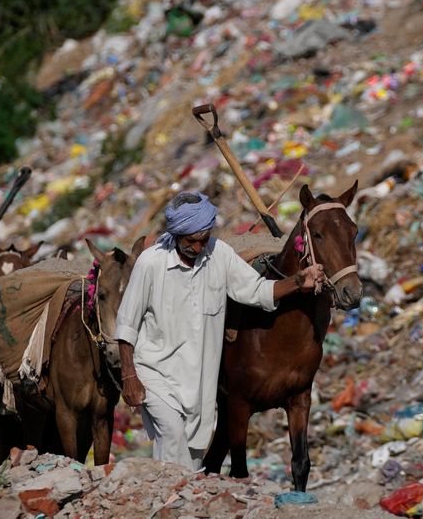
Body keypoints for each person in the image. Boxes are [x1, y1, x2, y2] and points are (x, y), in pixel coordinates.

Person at [115, 192, 324, 469]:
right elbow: (127, 323)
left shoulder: (220, 254)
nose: (200, 247)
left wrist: (298, 281)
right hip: (155, 374)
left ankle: (173, 503)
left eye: (204, 239)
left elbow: (257, 290)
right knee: (172, 436)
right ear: (177, 234)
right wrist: (130, 376)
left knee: (190, 460)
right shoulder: (151, 263)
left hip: (198, 384)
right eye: (192, 241)